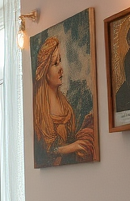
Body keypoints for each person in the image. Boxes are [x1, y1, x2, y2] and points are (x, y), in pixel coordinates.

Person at [32, 36, 96, 167]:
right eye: (55, 64)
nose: (61, 68)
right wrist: (74, 147)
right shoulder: (39, 108)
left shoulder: (65, 104)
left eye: (60, 62)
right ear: (45, 71)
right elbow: (45, 151)